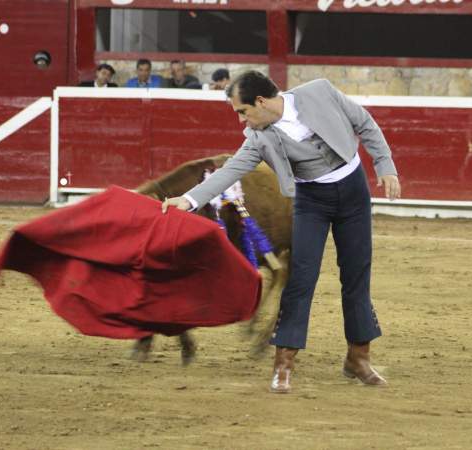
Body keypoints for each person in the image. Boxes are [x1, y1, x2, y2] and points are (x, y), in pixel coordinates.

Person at [161, 71, 401, 394]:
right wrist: (189, 199)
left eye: (243, 112)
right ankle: (283, 365)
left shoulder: (320, 91)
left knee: (357, 273)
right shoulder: (258, 137)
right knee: (301, 278)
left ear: (261, 102)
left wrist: (385, 165)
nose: (242, 121)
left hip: (354, 192)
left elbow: (364, 123)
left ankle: (358, 358)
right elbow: (230, 170)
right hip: (311, 201)